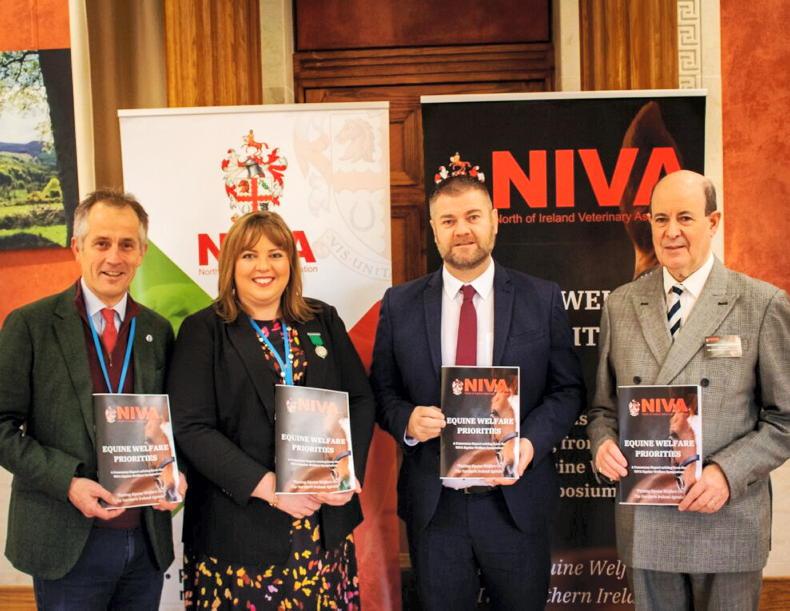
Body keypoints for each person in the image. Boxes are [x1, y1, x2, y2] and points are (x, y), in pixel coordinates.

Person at [371, 164, 585, 610]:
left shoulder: (540, 297)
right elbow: (382, 391)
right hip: (436, 509)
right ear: (434, 230)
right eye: (448, 220)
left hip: (516, 504)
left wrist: (530, 443)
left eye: (472, 216)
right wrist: (407, 421)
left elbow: (567, 391)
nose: (462, 230)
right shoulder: (400, 303)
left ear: (494, 221)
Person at [587, 170, 790, 610]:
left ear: (713, 222)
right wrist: (602, 443)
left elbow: (784, 420)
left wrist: (727, 473)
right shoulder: (621, 304)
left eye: (685, 218)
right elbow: (602, 409)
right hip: (647, 524)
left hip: (727, 519)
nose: (671, 232)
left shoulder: (762, 304)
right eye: (660, 219)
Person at [168, 210, 375, 609]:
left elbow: (361, 399)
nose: (263, 266)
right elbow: (191, 427)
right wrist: (271, 489)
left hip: (323, 527)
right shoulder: (203, 330)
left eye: (275, 254)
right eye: (249, 255)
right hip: (239, 533)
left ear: (291, 263)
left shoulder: (321, 320)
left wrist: (348, 474)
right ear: (231, 264)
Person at [0, 190, 183, 609]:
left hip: (145, 541)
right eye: (101, 243)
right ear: (77, 247)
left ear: (142, 253)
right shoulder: (30, 325)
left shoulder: (157, 331)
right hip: (65, 540)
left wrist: (177, 473)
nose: (114, 258)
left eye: (127, 244)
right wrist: (66, 482)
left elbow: (174, 422)